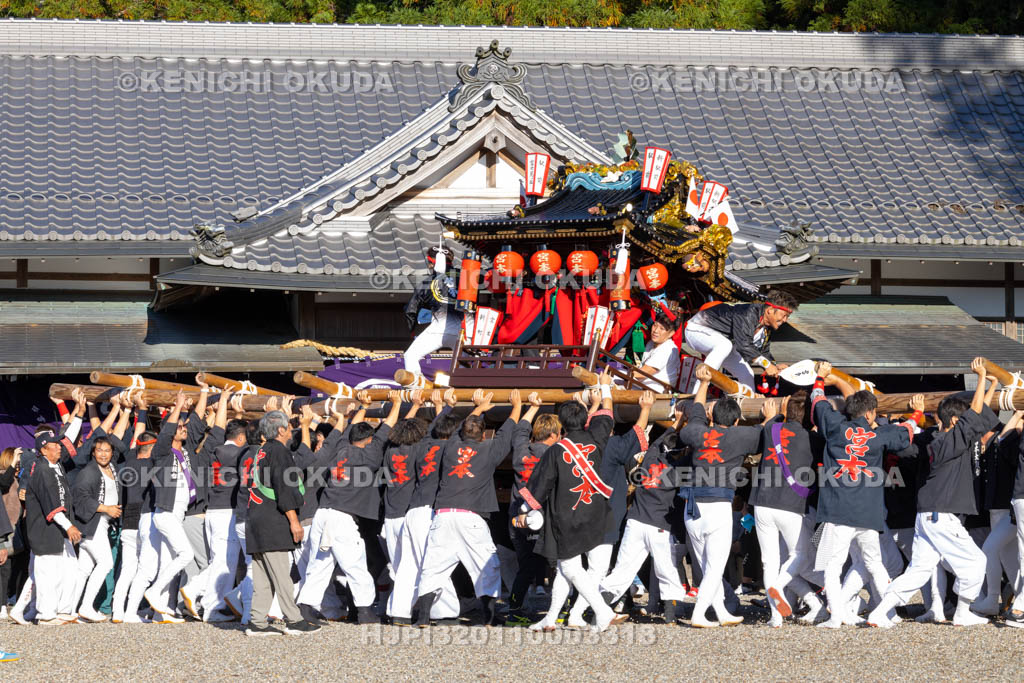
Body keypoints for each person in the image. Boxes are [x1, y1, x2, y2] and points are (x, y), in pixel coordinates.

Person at [868, 358, 999, 628]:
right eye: (962, 419)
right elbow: (972, 416)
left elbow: (978, 414)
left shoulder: (943, 439)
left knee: (918, 571)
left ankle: (880, 612)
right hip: (941, 516)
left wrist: (992, 384)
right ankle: (963, 612)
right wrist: (982, 376)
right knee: (976, 561)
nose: (968, 422)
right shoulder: (944, 441)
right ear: (953, 420)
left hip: (929, 516)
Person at [810, 362, 920, 629]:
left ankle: (836, 616)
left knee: (834, 566)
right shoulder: (877, 435)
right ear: (871, 413)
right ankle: (886, 614)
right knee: (874, 563)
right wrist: (917, 413)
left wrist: (820, 379)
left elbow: (818, 405)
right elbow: (904, 435)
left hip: (839, 509)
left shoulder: (836, 426)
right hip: (868, 511)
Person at [514, 375, 626, 633]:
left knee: (569, 567)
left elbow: (539, 487)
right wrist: (605, 386)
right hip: (597, 512)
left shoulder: (556, 450)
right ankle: (551, 619)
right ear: (585, 419)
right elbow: (607, 413)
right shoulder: (597, 437)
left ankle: (602, 611)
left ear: (561, 424)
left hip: (568, 515)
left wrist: (523, 511)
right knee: (569, 571)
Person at [413, 388, 519, 627]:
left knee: (434, 566)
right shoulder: (489, 450)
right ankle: (490, 617)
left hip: (443, 514)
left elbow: (443, 428)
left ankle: (423, 616)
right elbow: (506, 433)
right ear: (484, 436)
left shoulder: (449, 447)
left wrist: (478, 408)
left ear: (460, 434)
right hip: (470, 516)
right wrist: (517, 406)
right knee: (486, 565)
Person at [296, 390, 401, 625]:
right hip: (341, 517)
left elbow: (353, 427)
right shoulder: (371, 453)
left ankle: (306, 606)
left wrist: (362, 407)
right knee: (355, 564)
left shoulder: (341, 448)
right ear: (369, 441)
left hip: (323, 513)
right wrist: (396, 402)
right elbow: (387, 428)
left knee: (321, 564)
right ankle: (365, 611)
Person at [677, 364, 767, 627]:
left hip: (692, 508)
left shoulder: (697, 431)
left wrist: (704, 383)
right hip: (717, 508)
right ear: (737, 421)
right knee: (714, 567)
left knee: (706, 565)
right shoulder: (741, 435)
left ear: (711, 416)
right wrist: (772, 414)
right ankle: (698, 615)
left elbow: (694, 413)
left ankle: (721, 611)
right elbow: (765, 433)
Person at [599, 392, 690, 624]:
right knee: (666, 570)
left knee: (623, 568)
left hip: (635, 520)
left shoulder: (650, 456)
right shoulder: (680, 469)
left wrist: (676, 422)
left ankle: (598, 605)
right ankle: (670, 615)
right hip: (658, 525)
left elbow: (662, 441)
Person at [749, 391, 828, 627]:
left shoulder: (770, 428)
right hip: (791, 504)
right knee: (799, 556)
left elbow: (773, 420)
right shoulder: (813, 439)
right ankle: (777, 586)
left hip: (762, 502)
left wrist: (780, 412)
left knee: (769, 561)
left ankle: (775, 617)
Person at [244, 409, 319, 636]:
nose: (291, 431)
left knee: (263, 575)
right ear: (281, 430)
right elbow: (284, 488)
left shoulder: (260, 451)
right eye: (289, 427)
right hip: (272, 519)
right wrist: (294, 522)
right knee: (281, 574)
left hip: (255, 516)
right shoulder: (280, 451)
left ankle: (257, 620)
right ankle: (294, 620)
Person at [683, 290, 797, 392]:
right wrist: (767, 365)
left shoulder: (766, 329)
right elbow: (743, 344)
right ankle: (697, 394)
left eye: (787, 317)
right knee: (724, 345)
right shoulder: (748, 312)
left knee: (747, 374)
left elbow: (763, 352)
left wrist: (775, 366)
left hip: (720, 342)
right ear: (770, 310)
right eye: (784, 315)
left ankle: (747, 406)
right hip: (696, 330)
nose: (785, 320)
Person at [25, 430, 82, 625]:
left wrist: (80, 411)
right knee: (48, 573)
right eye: (54, 444)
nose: (59, 447)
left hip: (59, 530)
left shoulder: (56, 466)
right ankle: (46, 614)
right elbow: (52, 505)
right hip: (45, 530)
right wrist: (69, 526)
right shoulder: (42, 469)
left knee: (70, 569)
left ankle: (63, 610)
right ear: (43, 449)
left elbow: (69, 442)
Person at [505, 391, 550, 626]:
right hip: (540, 518)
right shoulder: (553, 454)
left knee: (525, 568)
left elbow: (520, 432)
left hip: (516, 517)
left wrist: (531, 407)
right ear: (554, 435)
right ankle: (560, 611)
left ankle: (514, 610)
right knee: (557, 564)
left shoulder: (521, 453)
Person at [71, 435, 121, 622]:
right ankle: (86, 606)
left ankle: (69, 609)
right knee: (106, 563)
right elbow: (80, 498)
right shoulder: (89, 472)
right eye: (99, 450)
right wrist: (106, 508)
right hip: (93, 523)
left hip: (102, 523)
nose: (103, 454)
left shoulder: (111, 468)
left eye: (107, 450)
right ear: (93, 452)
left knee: (84, 569)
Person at [403, 245, 462, 378]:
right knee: (467, 363)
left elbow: (410, 310)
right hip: (463, 331)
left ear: (432, 264)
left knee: (410, 356)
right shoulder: (468, 277)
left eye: (429, 263)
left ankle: (418, 388)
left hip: (437, 330)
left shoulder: (426, 283)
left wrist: (413, 331)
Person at [636, 311, 682, 390]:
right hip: (641, 386)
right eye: (655, 325)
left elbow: (641, 374)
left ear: (671, 333)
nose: (656, 330)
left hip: (656, 393)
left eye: (662, 328)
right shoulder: (651, 343)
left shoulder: (667, 348)